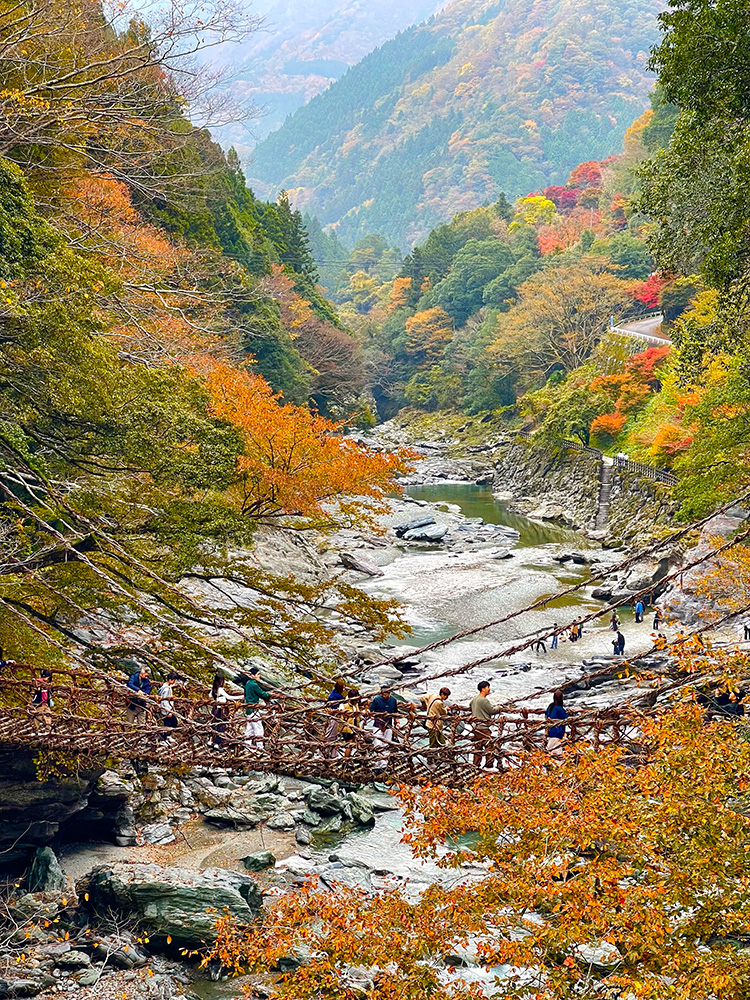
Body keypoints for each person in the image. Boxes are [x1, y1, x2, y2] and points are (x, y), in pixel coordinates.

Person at [470, 680, 503, 770]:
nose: (489, 689)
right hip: (483, 727)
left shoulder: (474, 699)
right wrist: (500, 707)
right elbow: (492, 710)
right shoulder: (484, 700)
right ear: (483, 689)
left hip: (475, 727)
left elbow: (470, 707)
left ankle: (475, 765)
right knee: (490, 745)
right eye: (488, 687)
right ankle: (489, 766)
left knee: (478, 746)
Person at [369, 685, 404, 770]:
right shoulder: (376, 700)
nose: (386, 695)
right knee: (378, 744)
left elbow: (395, 713)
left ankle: (384, 764)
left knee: (387, 744)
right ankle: (379, 763)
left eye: (387, 694)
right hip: (378, 725)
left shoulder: (393, 700)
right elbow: (370, 711)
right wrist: (371, 716)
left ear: (389, 693)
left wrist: (397, 722)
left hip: (388, 725)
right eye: (384, 694)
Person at [210, 670, 243, 748]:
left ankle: (211, 741)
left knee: (214, 725)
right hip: (219, 710)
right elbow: (229, 697)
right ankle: (217, 744)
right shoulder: (220, 689)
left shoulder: (213, 689)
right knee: (220, 726)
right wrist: (240, 697)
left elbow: (210, 695)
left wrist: (217, 698)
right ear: (221, 681)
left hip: (214, 708)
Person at [244, 667, 271, 750]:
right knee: (258, 728)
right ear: (253, 675)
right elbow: (262, 694)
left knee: (249, 729)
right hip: (254, 709)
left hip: (248, 709)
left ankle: (247, 746)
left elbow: (245, 694)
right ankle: (260, 747)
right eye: (258, 674)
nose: (259, 676)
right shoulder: (254, 684)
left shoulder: (248, 683)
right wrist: (269, 694)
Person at [323, 680, 347, 759]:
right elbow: (344, 702)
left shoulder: (333, 692)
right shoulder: (338, 697)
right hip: (334, 716)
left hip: (332, 716)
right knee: (331, 734)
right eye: (343, 688)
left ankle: (333, 753)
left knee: (333, 734)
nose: (344, 689)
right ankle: (325, 752)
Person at [545, 688, 568, 760]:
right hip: (557, 734)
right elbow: (567, 717)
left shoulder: (550, 706)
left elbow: (547, 715)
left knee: (550, 751)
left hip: (550, 733)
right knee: (558, 755)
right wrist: (576, 715)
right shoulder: (558, 708)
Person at [157, 672, 180, 739]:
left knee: (171, 722)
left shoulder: (165, 687)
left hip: (166, 709)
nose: (174, 682)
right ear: (170, 680)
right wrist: (169, 711)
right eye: (174, 680)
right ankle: (164, 737)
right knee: (169, 724)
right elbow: (165, 701)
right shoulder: (166, 689)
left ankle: (167, 736)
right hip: (167, 709)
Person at [339, 690, 361, 757]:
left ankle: (354, 755)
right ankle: (345, 760)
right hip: (346, 727)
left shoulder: (355, 705)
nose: (355, 701)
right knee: (349, 744)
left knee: (357, 740)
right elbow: (340, 715)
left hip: (354, 725)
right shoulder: (343, 705)